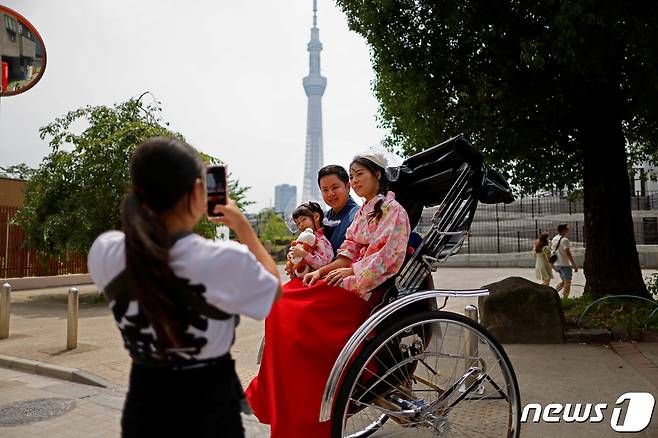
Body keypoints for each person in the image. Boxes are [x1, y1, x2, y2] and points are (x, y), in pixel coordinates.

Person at [87, 137, 282, 438]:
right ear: (196, 193)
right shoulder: (224, 260)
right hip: (208, 406)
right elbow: (273, 291)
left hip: (143, 403)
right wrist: (243, 227)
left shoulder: (105, 251)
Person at [246, 154, 410, 437]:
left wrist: (351, 273)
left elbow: (386, 258)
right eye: (353, 174)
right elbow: (345, 254)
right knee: (280, 302)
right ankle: (281, 397)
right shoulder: (364, 212)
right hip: (345, 278)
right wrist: (321, 273)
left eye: (359, 174)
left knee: (290, 314)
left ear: (378, 175)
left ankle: (304, 407)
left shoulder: (393, 210)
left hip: (364, 287)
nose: (356, 180)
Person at [318, 165, 360, 254]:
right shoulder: (323, 218)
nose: (330, 194)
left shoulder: (359, 216)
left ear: (348, 187)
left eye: (335, 187)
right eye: (325, 190)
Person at [286, 201, 334, 276]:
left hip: (317, 281)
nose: (301, 225)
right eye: (298, 223)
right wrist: (291, 264)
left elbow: (321, 265)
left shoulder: (321, 241)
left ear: (316, 217)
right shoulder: (303, 240)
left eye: (303, 219)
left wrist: (304, 254)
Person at [551, 223, 578, 298]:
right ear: (563, 230)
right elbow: (568, 253)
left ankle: (553, 295)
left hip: (557, 264)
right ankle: (565, 299)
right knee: (567, 283)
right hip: (564, 264)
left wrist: (552, 265)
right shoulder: (565, 240)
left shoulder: (554, 238)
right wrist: (574, 265)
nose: (568, 230)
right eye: (567, 229)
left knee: (563, 282)